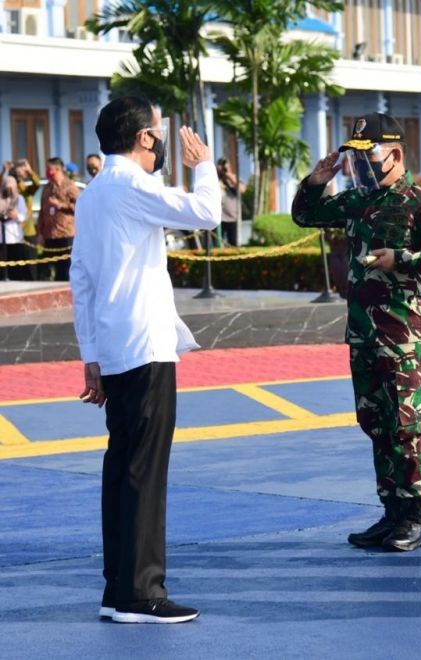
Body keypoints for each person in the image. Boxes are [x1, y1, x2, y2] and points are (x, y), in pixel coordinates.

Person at [71, 96, 221, 624]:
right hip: (145, 346)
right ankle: (142, 593)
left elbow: (81, 281)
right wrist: (203, 164)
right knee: (144, 474)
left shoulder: (91, 196)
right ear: (143, 138)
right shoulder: (133, 186)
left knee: (122, 470)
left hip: (115, 348)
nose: (162, 143)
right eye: (159, 134)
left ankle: (119, 588)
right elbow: (206, 212)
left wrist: (90, 355)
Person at [291, 112, 421, 553]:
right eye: (356, 158)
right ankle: (390, 511)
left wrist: (402, 259)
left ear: (395, 155)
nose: (361, 165)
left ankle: (415, 517)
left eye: (367, 156)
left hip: (404, 332)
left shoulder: (419, 201)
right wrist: (315, 182)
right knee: (375, 423)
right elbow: (305, 216)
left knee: (406, 425)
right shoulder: (358, 200)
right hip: (365, 332)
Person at [39, 157, 79, 281]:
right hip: (50, 234)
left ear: (57, 169)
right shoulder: (47, 188)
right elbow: (42, 212)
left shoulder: (70, 186)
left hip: (66, 234)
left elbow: (79, 207)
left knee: (65, 268)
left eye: (49, 169)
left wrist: (60, 205)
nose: (47, 171)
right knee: (50, 269)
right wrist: (40, 233)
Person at [0, 175, 32, 280]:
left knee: (17, 268)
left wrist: (16, 215)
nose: (8, 190)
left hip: (15, 238)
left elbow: (23, 216)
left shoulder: (19, 199)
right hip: (2, 239)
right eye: (6, 187)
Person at [216, 158, 245, 247]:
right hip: (218, 219)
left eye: (226, 167)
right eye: (222, 167)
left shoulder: (234, 178)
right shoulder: (215, 179)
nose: (224, 169)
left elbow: (242, 189)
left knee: (233, 245)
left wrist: (230, 177)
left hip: (233, 218)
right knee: (217, 245)